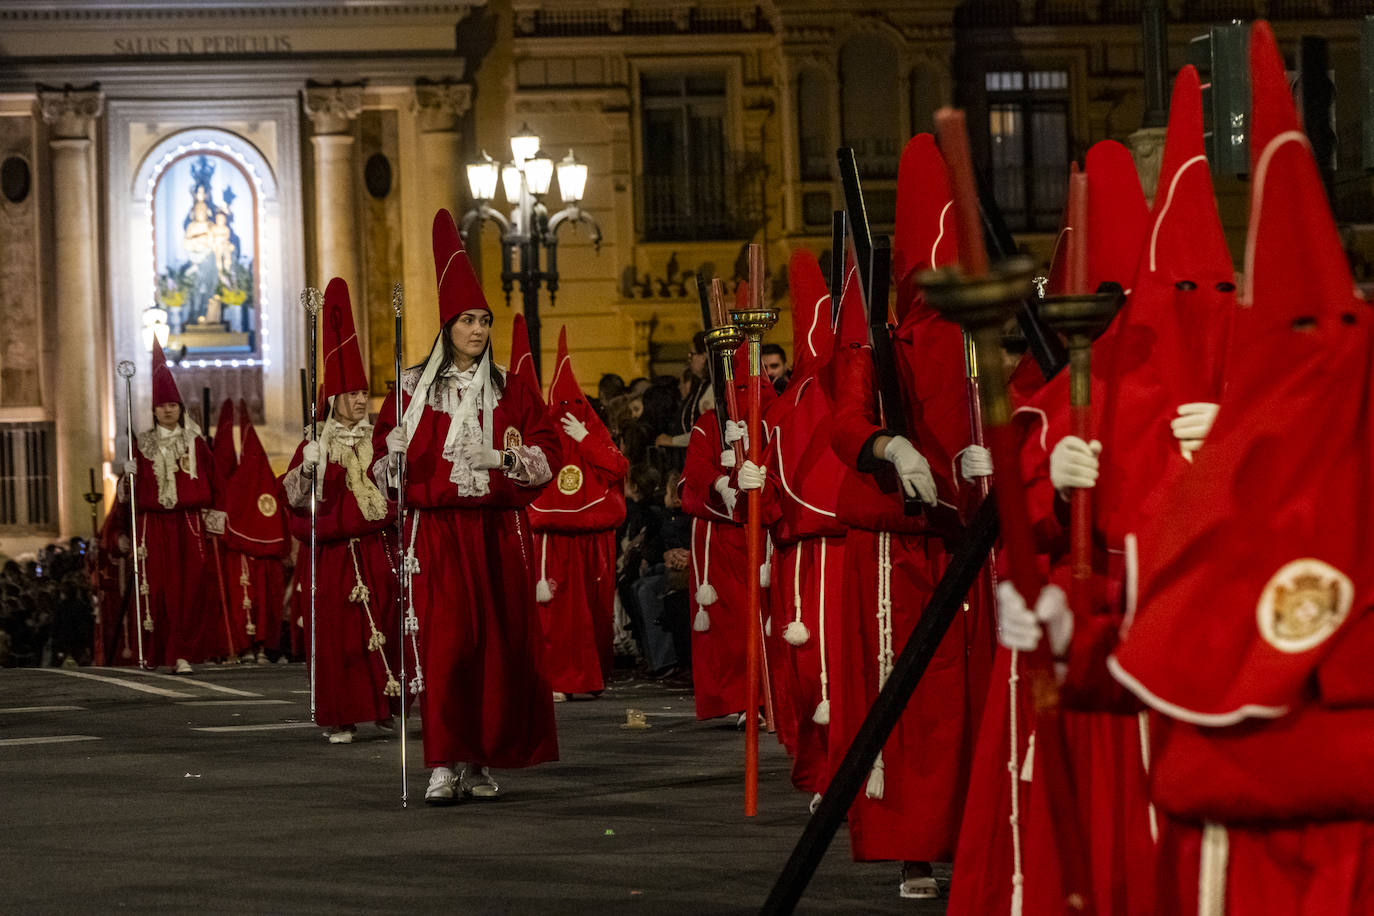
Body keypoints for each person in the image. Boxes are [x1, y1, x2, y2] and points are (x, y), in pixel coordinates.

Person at [373, 210, 559, 804]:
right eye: (467, 321)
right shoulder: (408, 390)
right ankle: (442, 760)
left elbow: (549, 451)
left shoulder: (511, 386)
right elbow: (383, 473)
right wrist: (392, 456)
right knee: (445, 648)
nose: (478, 330)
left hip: (496, 532)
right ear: (447, 325)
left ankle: (481, 759)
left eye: (484, 321)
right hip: (437, 534)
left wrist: (504, 461)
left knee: (495, 649)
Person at [282, 277, 401, 744]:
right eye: (352, 393)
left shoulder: (378, 439)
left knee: (388, 623)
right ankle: (342, 714)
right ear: (334, 399)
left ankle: (384, 703)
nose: (360, 399)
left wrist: (394, 460)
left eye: (364, 392)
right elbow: (293, 500)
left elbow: (398, 495)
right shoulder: (315, 442)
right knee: (338, 638)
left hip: (375, 549)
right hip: (331, 558)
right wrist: (307, 470)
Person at [529, 327, 629, 700]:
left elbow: (617, 468)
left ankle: (590, 678)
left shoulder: (592, 432)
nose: (567, 413)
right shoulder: (546, 434)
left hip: (592, 542)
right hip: (554, 541)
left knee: (591, 615)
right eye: (562, 407)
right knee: (558, 617)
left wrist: (585, 438)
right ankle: (561, 680)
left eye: (575, 405)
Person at [118, 338, 217, 673]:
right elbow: (126, 497)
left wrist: (216, 518)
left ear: (180, 407)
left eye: (173, 404)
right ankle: (157, 651)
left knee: (189, 589)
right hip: (153, 526)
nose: (168, 409)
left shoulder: (195, 442)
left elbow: (215, 482)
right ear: (154, 409)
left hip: (188, 522)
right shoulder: (141, 444)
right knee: (158, 587)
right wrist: (126, 478)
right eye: (162, 405)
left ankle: (184, 652)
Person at [222, 400, 290, 664]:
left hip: (264, 562)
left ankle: (261, 647)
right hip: (244, 559)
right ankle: (245, 647)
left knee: (264, 604)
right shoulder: (240, 487)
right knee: (245, 604)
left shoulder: (265, 486)